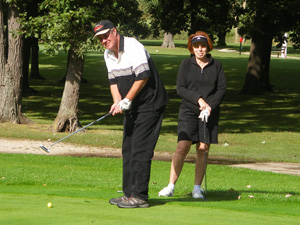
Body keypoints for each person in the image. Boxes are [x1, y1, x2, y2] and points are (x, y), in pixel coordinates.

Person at [93, 20, 168, 208]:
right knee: (128, 148)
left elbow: (143, 76)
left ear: (114, 32)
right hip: (132, 105)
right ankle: (128, 194)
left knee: (141, 149)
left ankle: (140, 196)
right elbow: (113, 81)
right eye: (99, 39)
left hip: (150, 104)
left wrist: (127, 99)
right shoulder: (108, 54)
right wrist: (117, 101)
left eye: (105, 36)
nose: (103, 41)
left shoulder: (133, 45)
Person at [158, 31, 226, 199]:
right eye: (196, 46)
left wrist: (209, 106)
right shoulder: (186, 64)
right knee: (182, 147)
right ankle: (171, 186)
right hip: (188, 110)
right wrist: (199, 100)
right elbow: (180, 88)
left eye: (203, 46)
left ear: (207, 47)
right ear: (192, 48)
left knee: (203, 149)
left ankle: (197, 188)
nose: (200, 49)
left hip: (209, 112)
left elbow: (221, 89)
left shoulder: (216, 65)